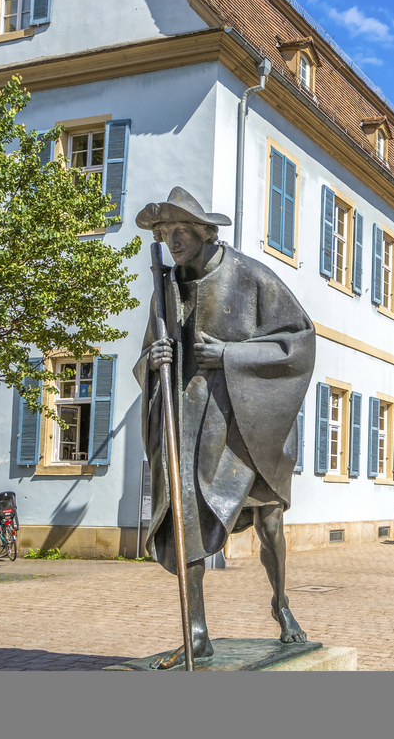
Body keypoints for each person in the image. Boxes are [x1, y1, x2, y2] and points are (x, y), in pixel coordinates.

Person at [135, 187, 316, 668]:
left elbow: (299, 342)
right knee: (182, 515)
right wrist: (152, 362)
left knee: (269, 520)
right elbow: (153, 349)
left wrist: (232, 355)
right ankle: (196, 631)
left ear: (203, 232)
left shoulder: (250, 275)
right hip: (193, 422)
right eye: (163, 233)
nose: (171, 241)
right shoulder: (167, 283)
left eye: (179, 231)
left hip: (252, 424)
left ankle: (281, 603)